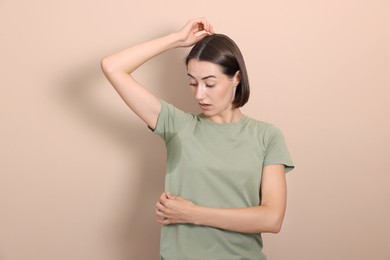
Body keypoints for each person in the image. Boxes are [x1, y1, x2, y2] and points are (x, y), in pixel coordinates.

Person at [101, 17, 294, 260]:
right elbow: (112, 67)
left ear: (236, 78)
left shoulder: (267, 136)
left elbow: (272, 218)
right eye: (192, 83)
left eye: (209, 83)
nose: (199, 94)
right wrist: (177, 39)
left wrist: (192, 214)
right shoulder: (178, 126)